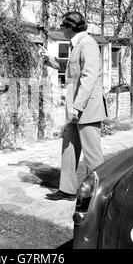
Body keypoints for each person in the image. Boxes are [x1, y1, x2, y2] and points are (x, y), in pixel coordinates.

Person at [39, 11, 108, 201]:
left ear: (70, 28)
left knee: (92, 155)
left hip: (87, 109)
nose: (61, 29)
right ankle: (68, 189)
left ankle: (101, 195)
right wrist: (48, 59)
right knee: (69, 149)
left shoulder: (88, 44)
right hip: (76, 110)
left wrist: (78, 106)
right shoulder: (77, 44)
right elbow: (71, 69)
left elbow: (89, 78)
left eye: (63, 26)